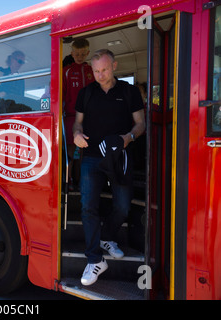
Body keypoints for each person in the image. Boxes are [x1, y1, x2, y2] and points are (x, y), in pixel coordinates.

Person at [73, 49, 145, 286]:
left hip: (120, 156)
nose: (100, 75)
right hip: (92, 157)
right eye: (95, 71)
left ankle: (107, 237)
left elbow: (140, 123)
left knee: (123, 207)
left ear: (114, 66)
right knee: (88, 207)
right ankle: (95, 259)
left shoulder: (129, 91)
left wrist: (129, 138)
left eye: (104, 69)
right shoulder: (86, 93)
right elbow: (78, 123)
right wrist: (76, 134)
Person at [63, 39, 95, 189]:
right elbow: (62, 94)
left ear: (87, 53)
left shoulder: (91, 71)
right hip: (71, 116)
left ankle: (81, 181)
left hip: (89, 118)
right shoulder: (67, 71)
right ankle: (68, 181)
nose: (80, 56)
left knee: (84, 152)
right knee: (71, 151)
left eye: (83, 54)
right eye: (77, 54)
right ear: (72, 54)